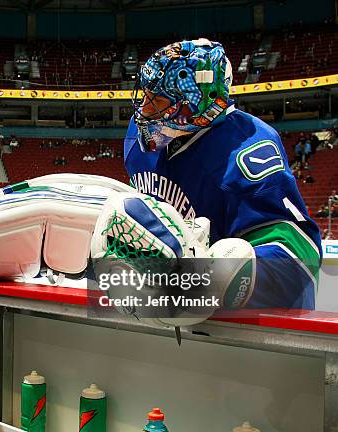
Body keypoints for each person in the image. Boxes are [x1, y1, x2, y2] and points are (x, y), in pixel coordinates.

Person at [123, 38, 321, 310]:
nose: (143, 110)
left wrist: (219, 281)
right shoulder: (139, 134)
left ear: (195, 105)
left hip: (246, 328)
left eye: (156, 100)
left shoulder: (245, 152)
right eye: (145, 95)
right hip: (164, 305)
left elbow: (299, 261)